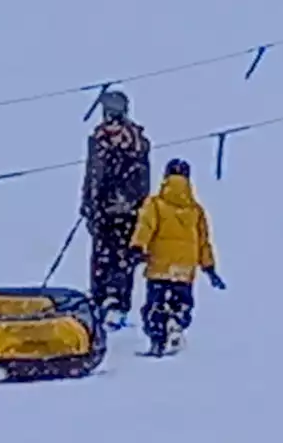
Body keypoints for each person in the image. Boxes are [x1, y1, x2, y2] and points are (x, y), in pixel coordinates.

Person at [129, 159, 226, 357]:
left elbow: (145, 226)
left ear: (165, 177)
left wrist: (137, 247)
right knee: (182, 302)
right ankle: (176, 323)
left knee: (154, 305)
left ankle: (157, 340)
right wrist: (209, 269)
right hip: (184, 268)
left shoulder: (155, 203)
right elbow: (203, 242)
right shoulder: (196, 210)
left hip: (160, 266)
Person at [80, 89, 151, 329]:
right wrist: (87, 201)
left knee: (112, 256)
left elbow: (95, 175)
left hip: (119, 210)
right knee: (112, 257)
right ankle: (106, 301)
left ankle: (113, 303)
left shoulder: (130, 142)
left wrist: (90, 200)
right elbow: (92, 174)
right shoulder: (128, 139)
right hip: (110, 209)